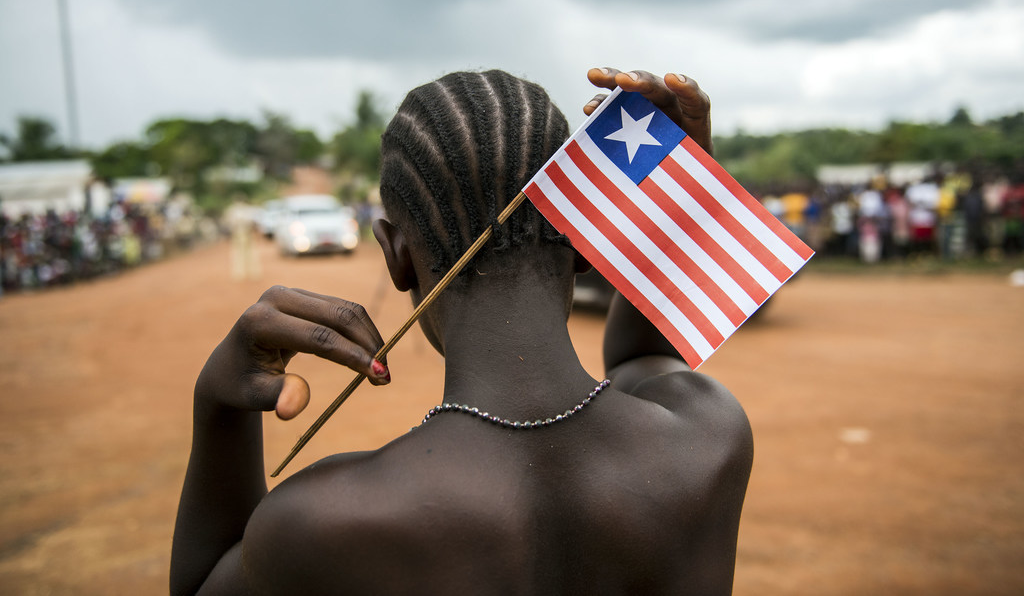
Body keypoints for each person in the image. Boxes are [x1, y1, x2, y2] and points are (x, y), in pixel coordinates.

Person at [171, 68, 753, 595]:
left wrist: (218, 405)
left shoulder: (327, 520)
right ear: (583, 236)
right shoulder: (707, 436)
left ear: (396, 256)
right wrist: (680, 198)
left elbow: (202, 586)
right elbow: (642, 357)